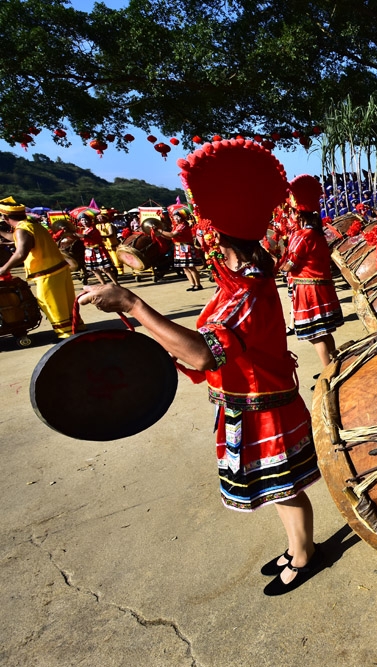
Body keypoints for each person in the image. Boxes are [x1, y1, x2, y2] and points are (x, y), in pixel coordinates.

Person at [79, 138, 324, 596]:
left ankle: (306, 551)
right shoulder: (232, 287)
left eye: (206, 229)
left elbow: (203, 352)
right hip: (242, 401)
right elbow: (198, 350)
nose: (200, 235)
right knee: (271, 487)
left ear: (218, 239)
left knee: (283, 486)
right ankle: (297, 545)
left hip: (263, 405)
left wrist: (133, 302)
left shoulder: (248, 292)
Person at [281, 174, 343, 368]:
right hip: (320, 287)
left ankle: (329, 371)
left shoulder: (303, 236)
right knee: (324, 332)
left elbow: (290, 265)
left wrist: (274, 259)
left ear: (298, 215)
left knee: (316, 336)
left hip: (309, 290)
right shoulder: (316, 234)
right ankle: (334, 364)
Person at [0, 196, 80, 338]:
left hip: (47, 272)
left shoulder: (22, 230)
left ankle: (65, 335)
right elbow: (18, 239)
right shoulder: (32, 224)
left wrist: (3, 269)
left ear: (6, 217)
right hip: (59, 268)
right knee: (67, 302)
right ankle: (77, 328)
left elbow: (21, 254)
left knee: (51, 304)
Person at [156, 206, 203, 291]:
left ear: (182, 218)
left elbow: (172, 235)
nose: (176, 219)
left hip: (186, 247)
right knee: (185, 268)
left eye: (177, 217)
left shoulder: (183, 226)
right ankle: (192, 284)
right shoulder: (177, 226)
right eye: (175, 217)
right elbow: (170, 237)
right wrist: (160, 234)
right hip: (180, 247)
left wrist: (160, 231)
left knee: (191, 267)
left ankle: (198, 284)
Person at [76, 210, 118, 285]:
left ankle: (116, 284)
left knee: (105, 269)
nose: (84, 222)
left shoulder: (93, 229)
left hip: (98, 250)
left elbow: (86, 236)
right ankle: (103, 284)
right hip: (89, 251)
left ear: (89, 221)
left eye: (85, 220)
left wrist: (73, 233)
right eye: (82, 220)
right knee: (94, 270)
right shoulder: (82, 230)